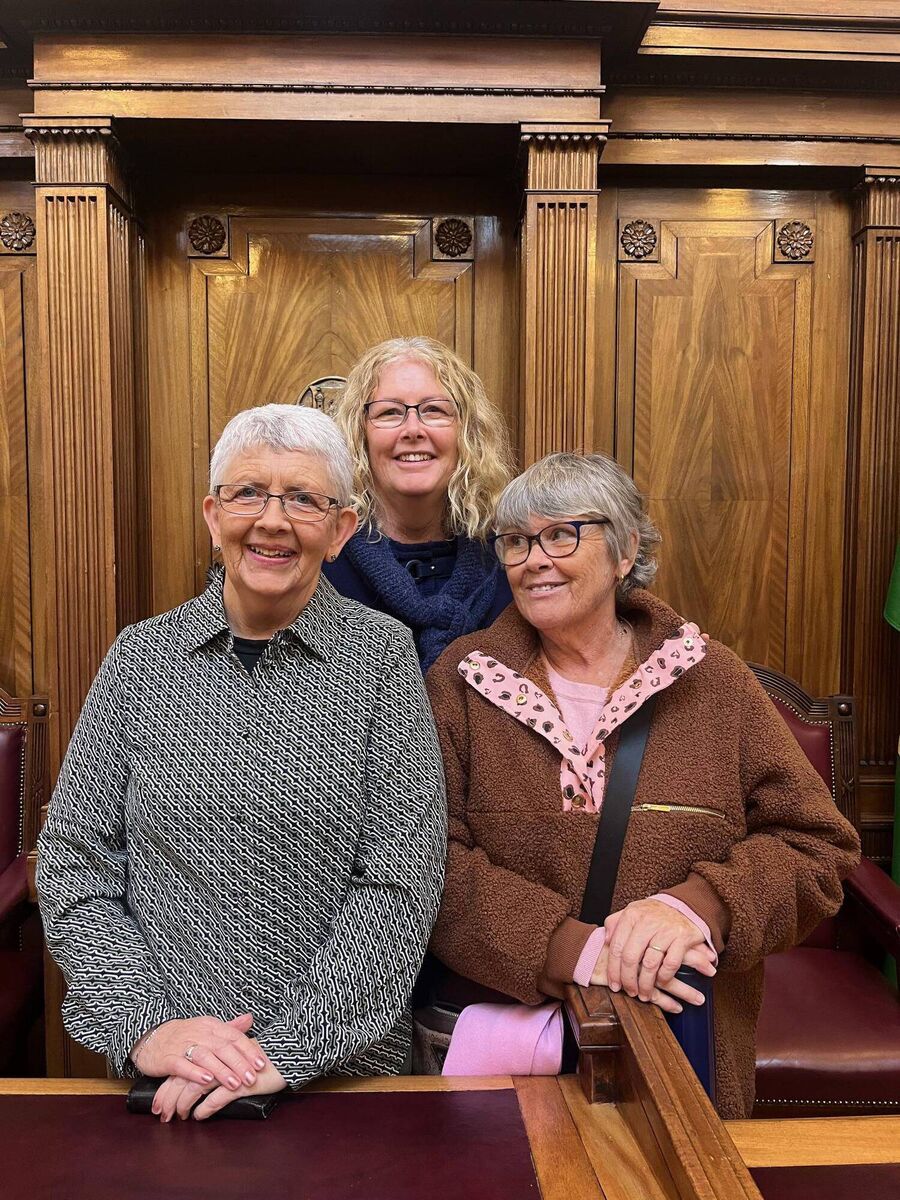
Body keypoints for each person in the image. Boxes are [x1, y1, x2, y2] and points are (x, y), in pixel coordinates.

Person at [37, 404, 446, 1121]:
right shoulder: (140, 659)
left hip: (340, 1084)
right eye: (248, 492)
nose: (272, 520)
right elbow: (74, 863)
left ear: (341, 529)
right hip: (164, 1082)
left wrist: (284, 1055)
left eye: (304, 499)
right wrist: (148, 1026)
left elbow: (399, 882)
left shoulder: (381, 658)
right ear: (212, 512)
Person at [425, 452, 860, 1118]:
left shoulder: (713, 680)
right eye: (515, 541)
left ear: (625, 550)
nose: (534, 558)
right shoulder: (462, 680)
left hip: (684, 1045)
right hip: (510, 1053)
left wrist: (700, 907)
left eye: (562, 534)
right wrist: (576, 950)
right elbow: (428, 861)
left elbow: (816, 846)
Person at [324, 337, 514, 669]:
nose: (413, 429)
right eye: (389, 412)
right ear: (360, 434)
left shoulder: (510, 559)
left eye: (434, 410)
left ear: (467, 431)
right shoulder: (322, 562)